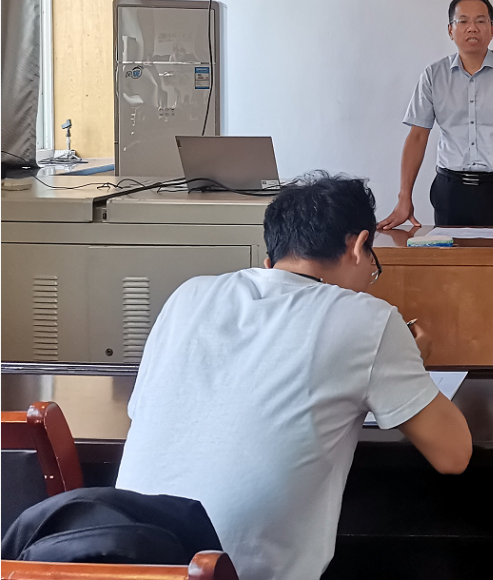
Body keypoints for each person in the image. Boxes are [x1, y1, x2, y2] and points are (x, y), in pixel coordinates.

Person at [115, 173, 471, 580]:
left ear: (272, 259)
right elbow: (453, 455)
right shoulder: (367, 318)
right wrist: (408, 363)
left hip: (121, 557)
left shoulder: (188, 296)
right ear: (359, 247)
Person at [377, 0, 493, 230]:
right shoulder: (433, 76)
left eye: (481, 21)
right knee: (449, 255)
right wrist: (404, 198)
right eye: (463, 21)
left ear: (492, 30)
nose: (472, 28)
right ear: (450, 30)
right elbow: (417, 137)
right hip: (450, 191)